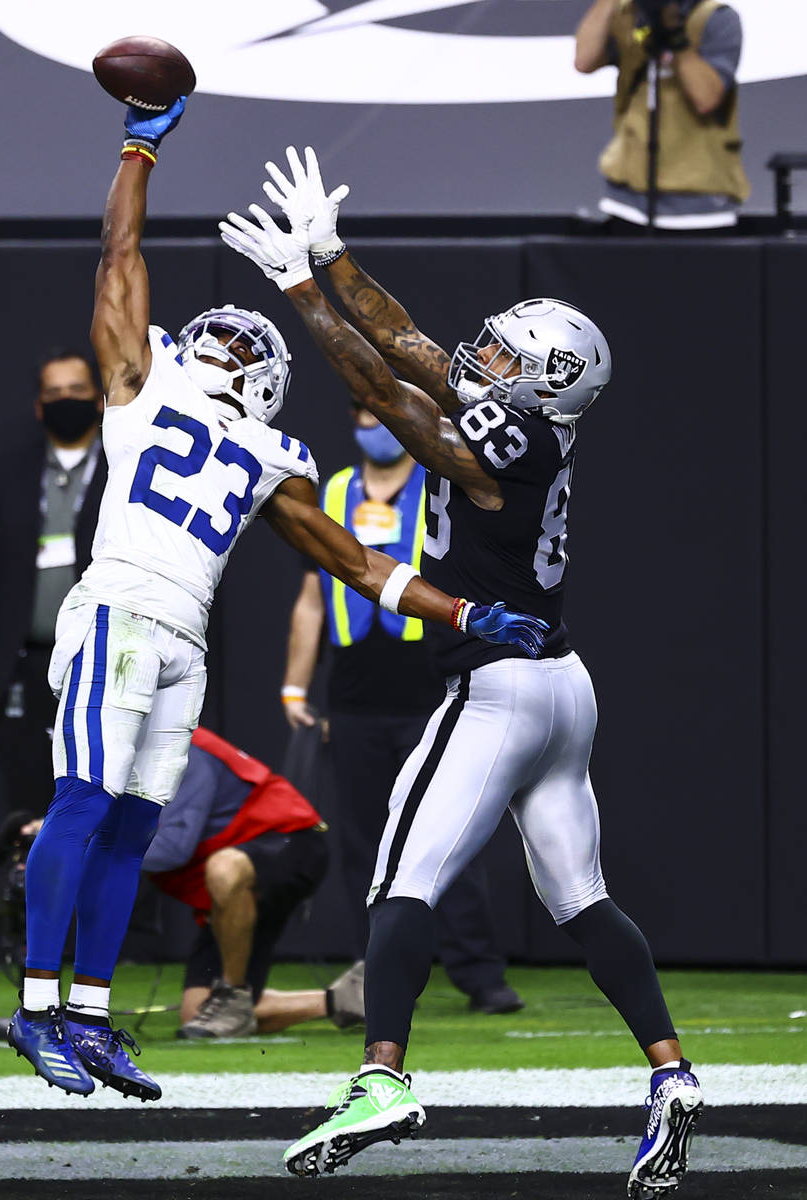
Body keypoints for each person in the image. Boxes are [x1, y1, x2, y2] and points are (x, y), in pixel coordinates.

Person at [7, 99, 547, 1107]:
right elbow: (117, 255)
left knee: (126, 825)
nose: (221, 349)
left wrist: (460, 614)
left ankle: (85, 1014)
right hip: (120, 610)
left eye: (234, 347)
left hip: (178, 638)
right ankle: (40, 1011)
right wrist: (138, 146)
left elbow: (352, 562)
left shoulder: (249, 446)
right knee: (86, 807)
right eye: (224, 341)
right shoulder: (150, 392)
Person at [219, 146, 704, 1198]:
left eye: (499, 356)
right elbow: (403, 343)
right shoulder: (529, 418)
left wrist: (300, 290)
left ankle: (381, 1076)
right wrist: (334, 255)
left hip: (495, 684)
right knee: (580, 901)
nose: (475, 358)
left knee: (400, 875)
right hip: (560, 685)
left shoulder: (507, 437)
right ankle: (670, 1075)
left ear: (539, 383)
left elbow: (384, 389)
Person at [282, 402, 523, 1015]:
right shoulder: (331, 490)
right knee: (366, 840)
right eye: (360, 414)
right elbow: (313, 596)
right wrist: (294, 687)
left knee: (451, 832)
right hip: (354, 695)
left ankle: (480, 973)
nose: (373, 425)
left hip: (429, 685)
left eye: (380, 414)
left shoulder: (441, 485)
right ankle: (378, 978)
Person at [0, 725, 365, 1040]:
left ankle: (233, 993)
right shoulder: (125, 762)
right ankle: (344, 1000)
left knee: (224, 868)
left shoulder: (180, 750)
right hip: (231, 883)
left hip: (289, 843)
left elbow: (173, 849)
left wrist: (70, 847)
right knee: (198, 1016)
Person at [0, 350, 108, 818]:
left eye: (77, 391)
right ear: (39, 407)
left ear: (100, 400)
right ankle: (31, 890)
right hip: (27, 663)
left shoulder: (126, 468)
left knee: (102, 799)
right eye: (55, 394)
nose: (66, 401)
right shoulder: (12, 472)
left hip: (104, 660)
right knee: (29, 804)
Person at [574, 0, 749, 230]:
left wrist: (675, 37)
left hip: (700, 203)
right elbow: (584, 60)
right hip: (627, 200)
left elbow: (706, 98)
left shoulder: (716, 17)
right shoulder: (630, 15)